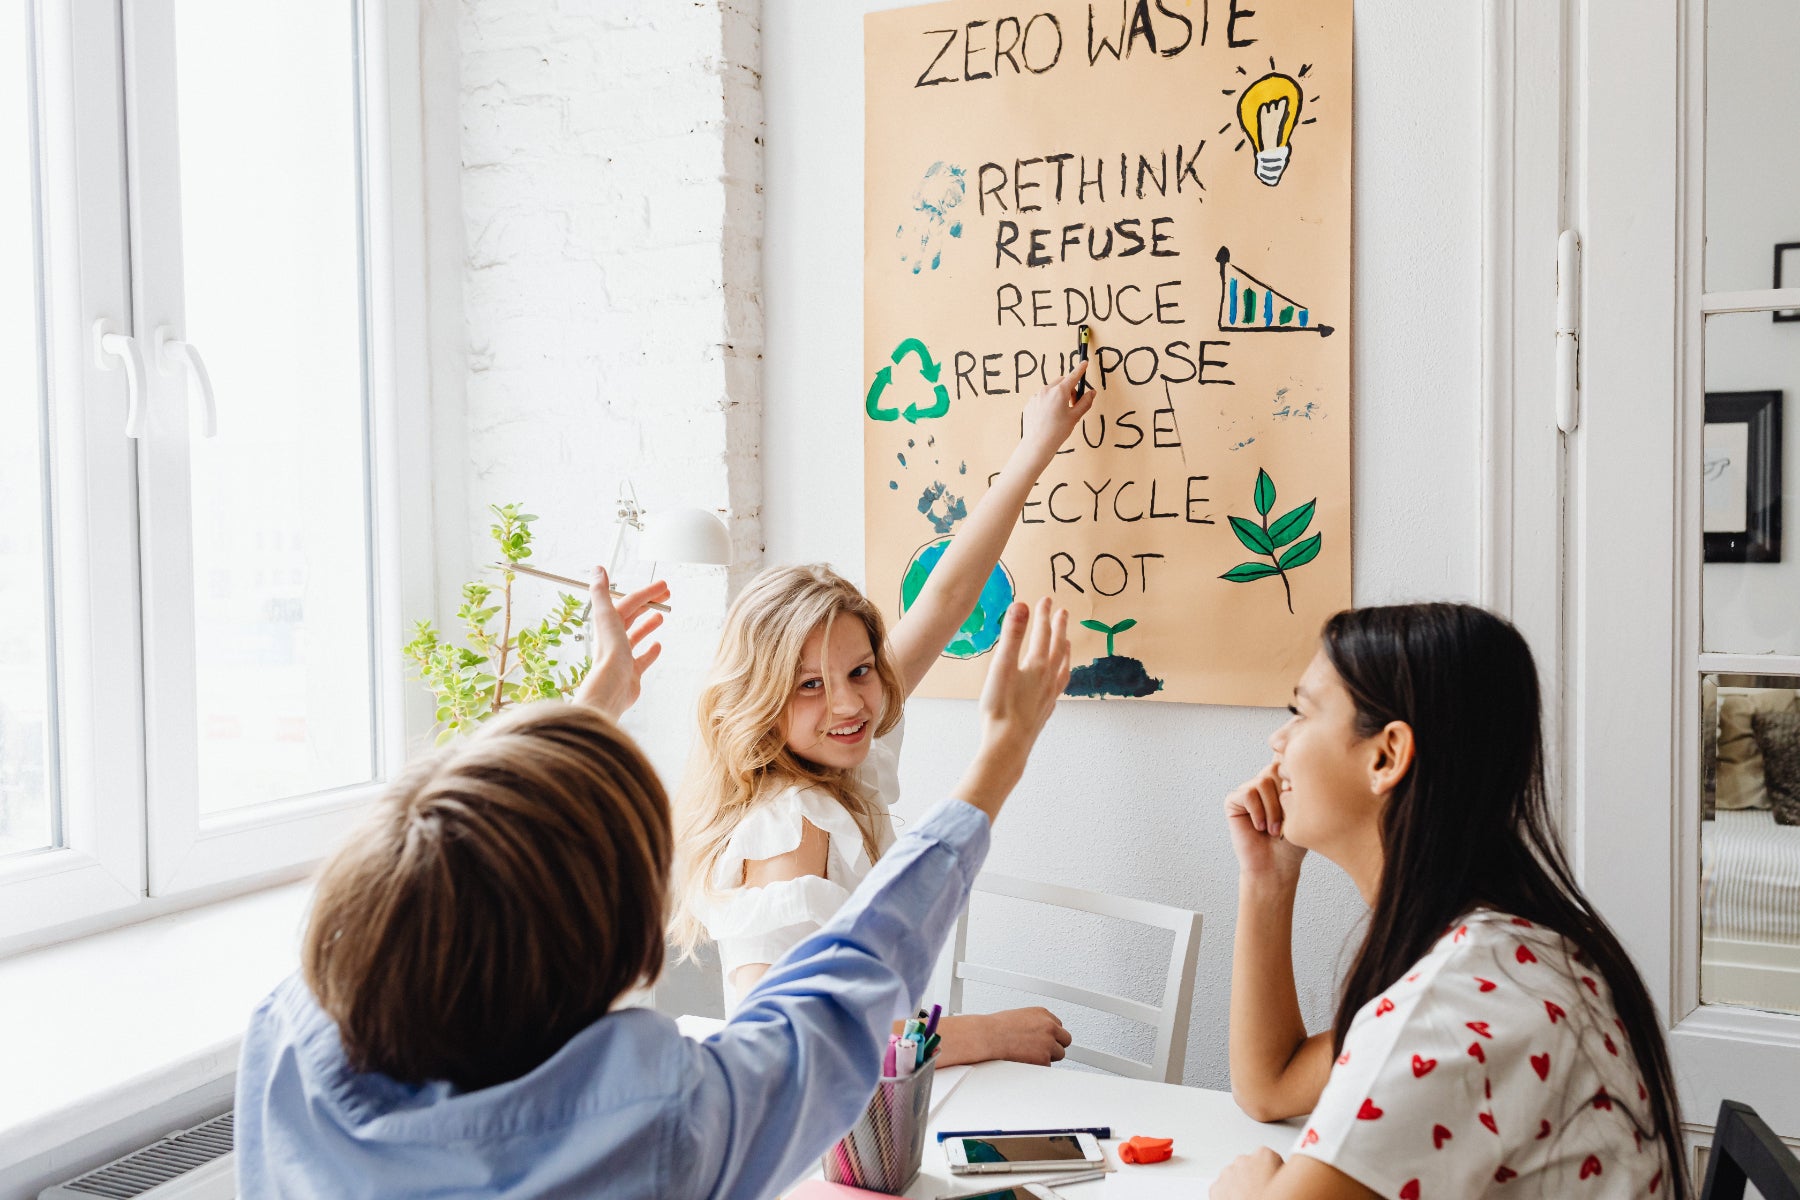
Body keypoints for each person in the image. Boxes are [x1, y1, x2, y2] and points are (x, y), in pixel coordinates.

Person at [233, 570, 1073, 1199]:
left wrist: (593, 706)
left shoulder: (286, 1036)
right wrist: (1002, 753)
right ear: (606, 950)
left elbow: (470, 850)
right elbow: (838, 992)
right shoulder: (653, 1126)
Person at [669, 362, 1094, 1067]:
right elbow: (791, 1046)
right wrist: (985, 1033)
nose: (848, 702)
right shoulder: (790, 823)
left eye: (860, 670)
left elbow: (950, 596)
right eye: (807, 686)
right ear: (760, 702)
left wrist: (1035, 446)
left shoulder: (848, 748)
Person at [1212, 603, 1687, 1200]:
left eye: (1299, 713)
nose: (1277, 740)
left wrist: (1248, 1190)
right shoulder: (1505, 946)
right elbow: (1271, 1085)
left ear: (1386, 757)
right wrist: (1268, 878)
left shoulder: (1461, 995)